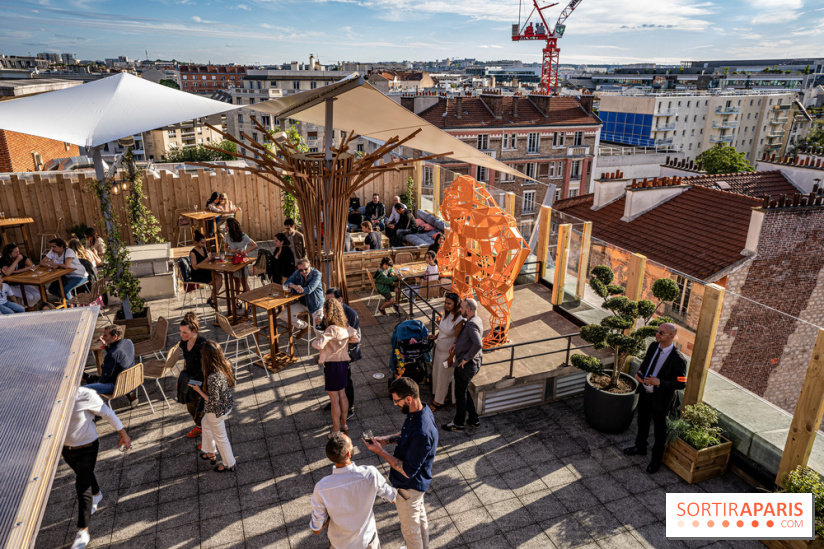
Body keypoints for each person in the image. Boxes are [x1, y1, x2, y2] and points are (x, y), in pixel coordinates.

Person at [363, 377, 438, 549]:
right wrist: (386, 440)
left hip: (408, 489)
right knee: (419, 520)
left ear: (409, 399)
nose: (395, 404)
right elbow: (406, 434)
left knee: (411, 532)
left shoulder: (422, 432)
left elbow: (407, 470)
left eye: (397, 401)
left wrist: (380, 452)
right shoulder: (422, 411)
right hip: (418, 485)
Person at [63, 387, 130, 549]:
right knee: (83, 474)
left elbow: (108, 413)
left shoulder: (85, 394)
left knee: (82, 484)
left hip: (88, 447)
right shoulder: (50, 398)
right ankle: (97, 494)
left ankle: (83, 531)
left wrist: (123, 434)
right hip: (66, 450)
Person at [310, 433, 397, 548]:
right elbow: (392, 498)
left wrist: (331, 515)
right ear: (348, 454)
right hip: (367, 541)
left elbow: (316, 529)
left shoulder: (321, 487)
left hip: (339, 544)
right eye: (351, 445)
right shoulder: (370, 474)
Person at [623, 322, 687, 474]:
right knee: (642, 422)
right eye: (657, 331)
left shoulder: (678, 359)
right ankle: (640, 447)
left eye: (661, 333)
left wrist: (660, 382)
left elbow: (681, 384)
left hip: (662, 400)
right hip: (645, 393)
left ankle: (656, 460)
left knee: (660, 431)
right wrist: (640, 374)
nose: (657, 334)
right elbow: (646, 363)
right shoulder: (653, 346)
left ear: (672, 336)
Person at [313, 299, 360, 437]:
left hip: (332, 366)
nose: (324, 314)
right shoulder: (345, 327)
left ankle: (335, 430)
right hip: (343, 364)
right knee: (342, 395)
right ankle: (344, 424)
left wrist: (315, 341)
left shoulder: (331, 329)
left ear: (329, 312)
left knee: (334, 400)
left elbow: (319, 345)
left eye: (324, 311)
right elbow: (356, 338)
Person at [190, 340, 237, 472]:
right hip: (227, 404)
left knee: (221, 438)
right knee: (205, 423)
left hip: (216, 411)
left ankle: (229, 464)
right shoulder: (226, 364)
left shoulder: (213, 377)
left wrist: (198, 390)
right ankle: (210, 452)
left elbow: (212, 401)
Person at [443, 298, 483, 432]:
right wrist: (456, 345)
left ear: (469, 310)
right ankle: (474, 419)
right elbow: (468, 340)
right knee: (463, 391)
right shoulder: (476, 319)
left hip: (466, 366)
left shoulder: (471, 324)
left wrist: (466, 359)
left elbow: (478, 344)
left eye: (462, 308)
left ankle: (458, 424)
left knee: (460, 394)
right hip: (470, 364)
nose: (459, 309)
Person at [321, 288, 361, 418]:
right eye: (326, 300)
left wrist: (344, 353)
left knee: (346, 381)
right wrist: (319, 325)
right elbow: (324, 326)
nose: (327, 303)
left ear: (339, 300)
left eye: (330, 300)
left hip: (345, 355)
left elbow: (356, 338)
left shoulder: (351, 314)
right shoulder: (328, 310)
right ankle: (335, 402)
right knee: (334, 381)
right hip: (332, 355)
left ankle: (350, 407)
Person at [428, 293, 464, 412]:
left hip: (447, 355)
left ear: (456, 304)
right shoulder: (445, 314)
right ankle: (443, 397)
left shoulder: (459, 320)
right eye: (445, 302)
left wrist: (450, 358)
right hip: (439, 351)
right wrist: (436, 336)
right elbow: (443, 330)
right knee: (437, 375)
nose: (446, 305)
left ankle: (438, 401)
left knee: (443, 378)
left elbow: (457, 341)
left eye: (449, 303)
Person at [177, 312, 207, 438]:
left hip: (201, 380)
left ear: (194, 330)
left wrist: (204, 387)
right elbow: (186, 360)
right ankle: (200, 427)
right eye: (180, 332)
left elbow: (207, 366)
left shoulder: (202, 344)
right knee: (190, 406)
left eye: (185, 332)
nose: (182, 335)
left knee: (201, 408)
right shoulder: (184, 343)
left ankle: (206, 435)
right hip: (190, 379)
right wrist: (183, 377)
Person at [83, 325, 135, 396]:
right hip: (131, 380)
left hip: (116, 386)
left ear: (115, 337)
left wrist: (94, 380)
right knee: (92, 378)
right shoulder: (128, 342)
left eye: (105, 335)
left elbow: (105, 378)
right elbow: (116, 354)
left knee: (79, 391)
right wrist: (106, 345)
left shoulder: (112, 354)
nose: (103, 337)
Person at [282, 258, 325, 332]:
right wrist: (294, 286)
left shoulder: (316, 274)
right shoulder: (297, 272)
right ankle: (304, 326)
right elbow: (286, 283)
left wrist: (292, 290)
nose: (303, 271)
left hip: (315, 305)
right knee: (283, 315)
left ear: (309, 266)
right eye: (301, 270)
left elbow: (309, 290)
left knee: (318, 330)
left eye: (305, 269)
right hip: (302, 303)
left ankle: (320, 339)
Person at [223, 218, 258, 308]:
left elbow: (254, 245)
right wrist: (230, 251)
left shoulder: (243, 236)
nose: (225, 227)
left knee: (244, 282)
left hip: (242, 261)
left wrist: (245, 251)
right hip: (232, 261)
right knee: (236, 282)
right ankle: (238, 301)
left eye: (226, 226)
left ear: (231, 226)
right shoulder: (227, 236)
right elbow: (225, 248)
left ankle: (249, 302)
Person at [189, 230, 222, 310]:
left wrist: (212, 258)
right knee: (218, 280)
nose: (204, 245)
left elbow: (206, 260)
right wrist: (207, 259)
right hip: (198, 274)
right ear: (196, 242)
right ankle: (212, 299)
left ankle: (212, 298)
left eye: (205, 243)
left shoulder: (203, 248)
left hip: (205, 271)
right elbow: (195, 267)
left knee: (219, 277)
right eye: (202, 243)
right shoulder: (193, 253)